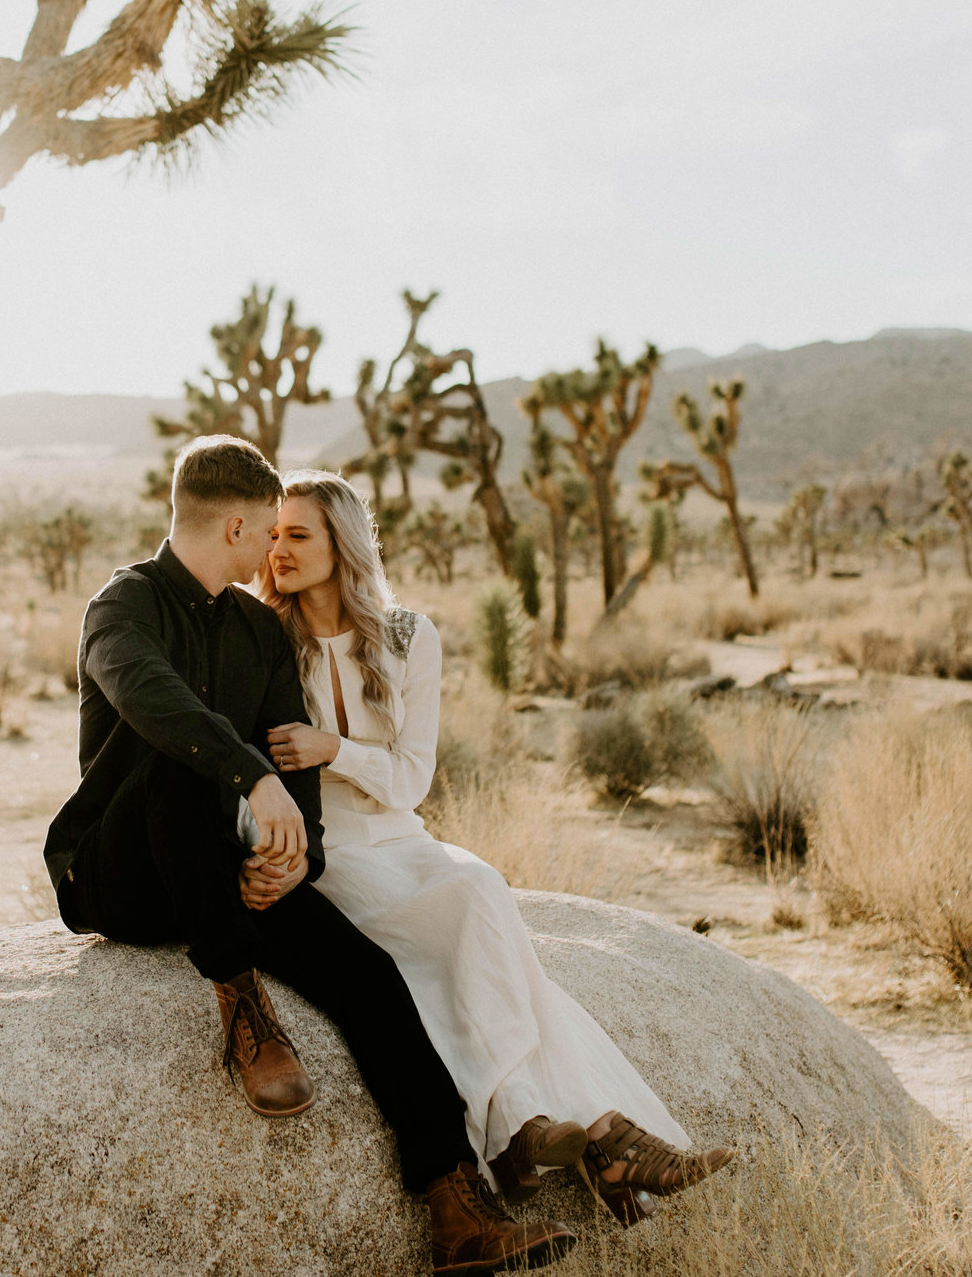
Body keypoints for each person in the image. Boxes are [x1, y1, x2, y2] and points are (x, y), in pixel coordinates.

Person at [45, 436, 576, 1274]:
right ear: (235, 526)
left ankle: (458, 1209)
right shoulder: (122, 608)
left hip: (224, 872)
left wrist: (300, 861)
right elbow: (153, 698)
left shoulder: (260, 631)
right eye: (269, 531)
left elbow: (300, 788)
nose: (275, 552)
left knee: (367, 976)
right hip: (123, 873)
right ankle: (240, 999)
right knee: (179, 763)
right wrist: (248, 775)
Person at [257, 470, 738, 1227]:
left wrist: (333, 748)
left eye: (297, 533)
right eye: (274, 533)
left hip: (401, 836)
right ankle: (589, 1139)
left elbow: (412, 780)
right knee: (485, 929)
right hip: (329, 851)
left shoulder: (410, 635)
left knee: (481, 886)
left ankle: (536, 1135)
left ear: (340, 542)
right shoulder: (260, 640)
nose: (277, 548)